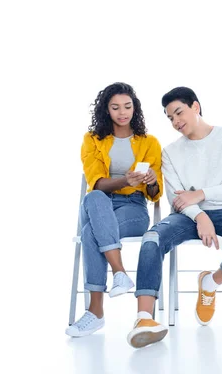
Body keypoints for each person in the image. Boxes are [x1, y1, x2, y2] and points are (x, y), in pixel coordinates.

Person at [126, 86, 222, 348]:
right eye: (170, 118)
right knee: (152, 238)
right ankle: (144, 317)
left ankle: (211, 282)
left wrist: (200, 193)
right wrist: (200, 215)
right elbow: (176, 198)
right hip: (187, 216)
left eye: (179, 112)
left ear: (196, 106)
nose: (175, 121)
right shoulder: (170, 151)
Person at [66, 82, 162, 337]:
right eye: (116, 107)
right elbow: (95, 181)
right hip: (101, 204)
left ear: (135, 108)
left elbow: (155, 194)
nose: (123, 112)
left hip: (133, 207)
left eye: (128, 106)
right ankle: (119, 272)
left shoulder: (149, 142)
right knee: (96, 196)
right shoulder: (92, 140)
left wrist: (151, 181)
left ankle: (95, 311)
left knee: (90, 234)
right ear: (106, 110)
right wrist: (124, 181)